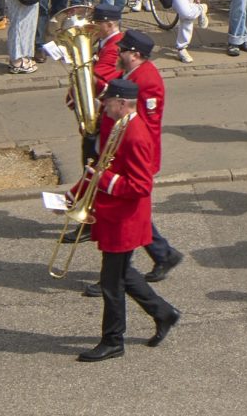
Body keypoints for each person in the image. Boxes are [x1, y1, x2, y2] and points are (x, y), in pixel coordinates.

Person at [74, 79, 180, 360]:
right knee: (122, 275)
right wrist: (74, 195)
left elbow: (141, 186)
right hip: (117, 217)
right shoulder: (121, 127)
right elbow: (101, 166)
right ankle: (164, 313)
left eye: (108, 101)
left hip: (125, 221)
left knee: (111, 283)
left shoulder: (134, 134)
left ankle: (113, 340)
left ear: (122, 103)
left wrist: (104, 180)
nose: (103, 105)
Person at [114, 30, 184, 279]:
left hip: (139, 157)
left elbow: (148, 125)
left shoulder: (147, 80)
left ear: (134, 54)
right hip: (128, 154)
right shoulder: (131, 73)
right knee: (133, 214)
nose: (117, 53)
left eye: (122, 50)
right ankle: (162, 254)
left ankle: (119, 272)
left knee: (131, 215)